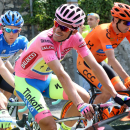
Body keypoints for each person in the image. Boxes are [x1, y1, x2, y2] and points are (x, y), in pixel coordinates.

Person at [14, 4, 130, 130]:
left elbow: (95, 66)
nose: (57, 29)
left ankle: (64, 128)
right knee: (49, 124)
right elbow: (61, 74)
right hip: (26, 81)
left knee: (85, 96)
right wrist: (80, 105)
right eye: (56, 23)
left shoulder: (76, 38)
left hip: (45, 78)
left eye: (63, 27)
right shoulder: (44, 39)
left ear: (74, 31)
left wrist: (115, 94)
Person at [77, 2, 130, 119]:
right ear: (116, 20)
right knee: (107, 92)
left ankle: (109, 119)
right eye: (127, 22)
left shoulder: (126, 30)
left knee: (122, 90)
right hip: (85, 63)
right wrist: (127, 77)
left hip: (100, 63)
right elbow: (111, 58)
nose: (129, 25)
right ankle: (90, 118)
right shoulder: (104, 30)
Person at [0, 10, 28, 127]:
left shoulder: (22, 42)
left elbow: (26, 64)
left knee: (23, 94)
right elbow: (1, 67)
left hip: (2, 71)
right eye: (8, 30)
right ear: (2, 29)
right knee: (3, 102)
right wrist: (17, 84)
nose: (11, 34)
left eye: (15, 30)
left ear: (19, 31)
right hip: (1, 70)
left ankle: (22, 125)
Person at [79, 13, 100, 92]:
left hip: (100, 64)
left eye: (91, 19)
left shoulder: (102, 31)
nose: (88, 22)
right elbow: (78, 46)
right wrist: (80, 32)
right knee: (87, 89)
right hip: (87, 65)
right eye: (88, 20)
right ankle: (89, 104)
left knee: (105, 88)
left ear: (97, 21)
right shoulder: (85, 33)